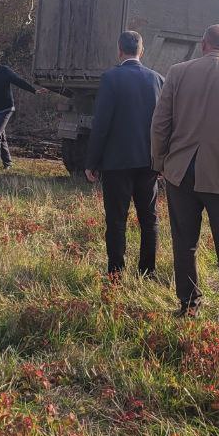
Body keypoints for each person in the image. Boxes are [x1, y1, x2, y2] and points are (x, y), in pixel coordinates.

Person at [151, 24, 219, 321]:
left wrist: (161, 162)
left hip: (181, 172)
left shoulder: (177, 72)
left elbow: (160, 123)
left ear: (203, 44)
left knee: (184, 243)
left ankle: (189, 306)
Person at [84, 31, 165, 278]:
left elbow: (102, 124)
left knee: (116, 220)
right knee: (148, 219)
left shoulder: (110, 78)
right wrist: (162, 160)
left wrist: (92, 161)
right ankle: (147, 271)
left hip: (116, 163)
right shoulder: (158, 80)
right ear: (142, 51)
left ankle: (116, 272)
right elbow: (163, 125)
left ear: (119, 50)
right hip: (148, 162)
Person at [0, 52, 47, 170]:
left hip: (6, 109)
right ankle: (8, 163)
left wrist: (34, 90)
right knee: (1, 136)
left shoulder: (4, 71)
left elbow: (18, 81)